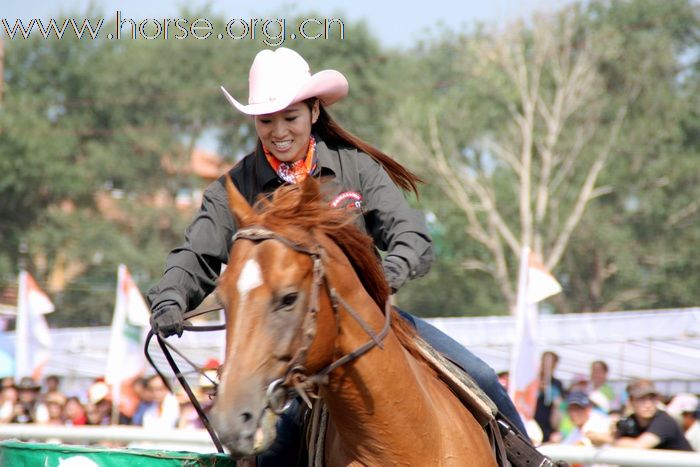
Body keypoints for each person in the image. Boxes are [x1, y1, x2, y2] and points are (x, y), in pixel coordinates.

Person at [147, 47, 530, 462]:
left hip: (376, 324)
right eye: (266, 120)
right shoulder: (233, 188)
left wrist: (388, 274)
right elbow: (194, 254)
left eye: (290, 117)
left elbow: (410, 234)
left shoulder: (356, 168)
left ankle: (531, 458)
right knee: (273, 452)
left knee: (481, 375)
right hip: (289, 352)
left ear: (313, 112)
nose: (279, 131)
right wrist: (170, 297)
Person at [601, 379, 692, 451]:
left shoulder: (664, 421)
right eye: (641, 399)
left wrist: (609, 439)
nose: (648, 404)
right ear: (631, 402)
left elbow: (638, 446)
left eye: (652, 399)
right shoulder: (630, 421)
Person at [535, 351, 566, 443]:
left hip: (549, 426)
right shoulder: (533, 381)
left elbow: (562, 406)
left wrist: (550, 393)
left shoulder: (557, 384)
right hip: (533, 423)